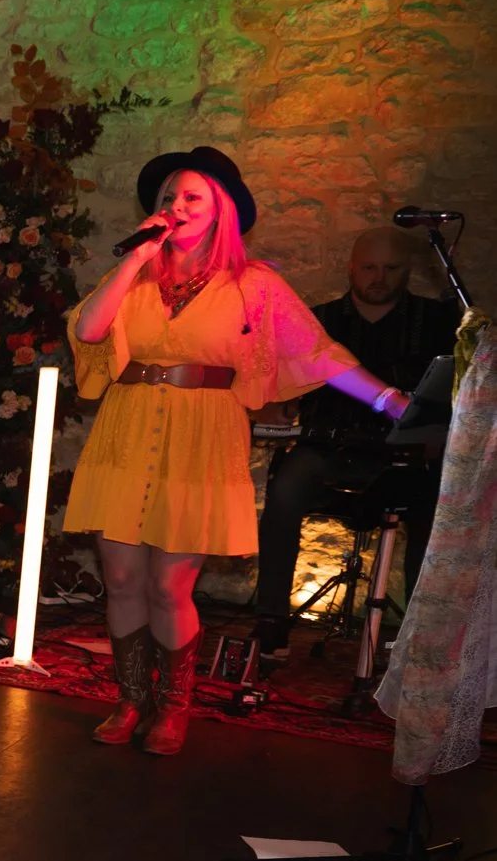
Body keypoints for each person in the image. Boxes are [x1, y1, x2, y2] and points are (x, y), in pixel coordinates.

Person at [66, 147, 412, 753]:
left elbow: (318, 353)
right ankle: (130, 700)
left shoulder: (254, 286)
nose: (176, 206)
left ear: (220, 210)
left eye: (191, 197)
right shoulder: (136, 274)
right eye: (168, 197)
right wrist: (135, 259)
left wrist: (388, 400)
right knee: (121, 580)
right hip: (124, 430)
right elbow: (89, 330)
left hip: (201, 438)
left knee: (168, 587)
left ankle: (173, 707)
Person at [251, 227, 459, 655]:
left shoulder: (437, 323)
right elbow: (281, 390)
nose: (379, 277)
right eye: (369, 267)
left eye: (391, 268)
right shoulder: (318, 321)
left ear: (407, 270)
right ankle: (270, 620)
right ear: (351, 267)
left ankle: (417, 640)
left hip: (404, 454)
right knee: (286, 488)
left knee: (434, 505)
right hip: (328, 449)